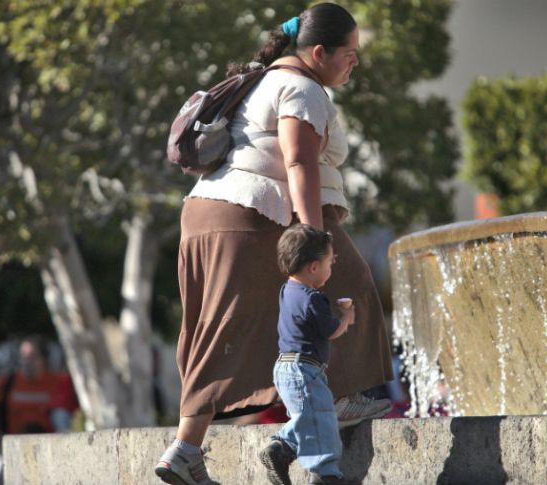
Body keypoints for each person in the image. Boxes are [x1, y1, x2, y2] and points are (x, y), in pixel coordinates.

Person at [155, 5, 394, 484]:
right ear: (320, 52)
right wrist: (315, 237)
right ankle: (343, 399)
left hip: (209, 215)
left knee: (218, 332)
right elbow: (299, 163)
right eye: (350, 54)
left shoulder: (264, 79)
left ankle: (185, 450)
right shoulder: (302, 89)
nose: (355, 63)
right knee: (351, 281)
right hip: (252, 215)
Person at [259, 224, 355, 485]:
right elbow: (331, 331)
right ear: (313, 267)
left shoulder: (287, 290)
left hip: (285, 367)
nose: (330, 269)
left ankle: (281, 449)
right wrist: (346, 316)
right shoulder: (314, 298)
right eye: (329, 263)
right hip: (305, 369)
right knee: (322, 419)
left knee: (308, 417)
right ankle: (326, 474)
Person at [0, 337, 61, 438]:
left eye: (32, 356)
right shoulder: (6, 384)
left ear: (42, 358)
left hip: (49, 444)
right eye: (24, 357)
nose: (28, 361)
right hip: (15, 444)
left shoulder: (56, 383)